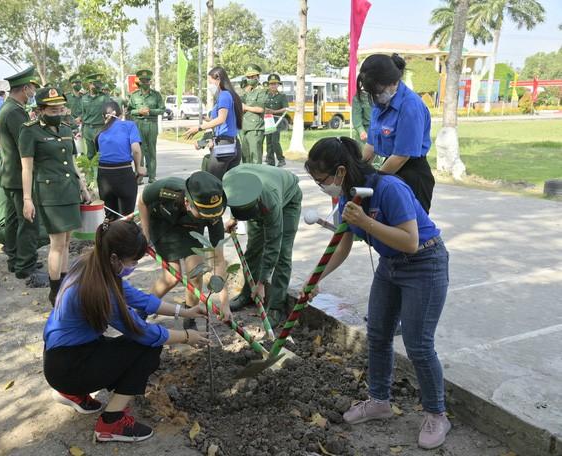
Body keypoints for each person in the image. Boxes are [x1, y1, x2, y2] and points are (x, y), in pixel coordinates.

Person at [305, 136, 450, 450]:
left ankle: (437, 413)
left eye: (321, 181)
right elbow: (343, 243)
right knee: (379, 333)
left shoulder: (389, 188)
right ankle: (379, 401)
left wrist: (367, 222)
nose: (321, 186)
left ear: (341, 171)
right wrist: (317, 278)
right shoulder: (347, 196)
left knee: (419, 344)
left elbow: (410, 241)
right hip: (390, 265)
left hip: (425, 262)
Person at [43, 219, 208, 443]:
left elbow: (140, 299)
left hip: (59, 358)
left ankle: (71, 393)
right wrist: (187, 337)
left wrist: (185, 312)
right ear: (115, 258)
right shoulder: (100, 291)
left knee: (133, 344)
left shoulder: (91, 265)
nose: (135, 266)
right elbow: (144, 333)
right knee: (148, 348)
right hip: (68, 367)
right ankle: (111, 423)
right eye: (133, 261)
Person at [20, 87, 92, 306]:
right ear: (40, 110)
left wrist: (83, 187)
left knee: (67, 241)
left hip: (70, 191)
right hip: (50, 194)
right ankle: (55, 291)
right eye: (53, 110)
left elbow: (71, 163)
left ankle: (65, 283)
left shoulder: (67, 129)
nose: (58, 112)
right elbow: (26, 168)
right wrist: (27, 199)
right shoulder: (30, 131)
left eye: (60, 108)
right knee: (57, 244)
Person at [137, 171, 231, 328]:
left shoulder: (213, 214)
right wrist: (145, 234)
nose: (210, 218)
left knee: (195, 273)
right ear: (188, 203)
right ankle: (141, 311)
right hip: (163, 224)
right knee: (171, 278)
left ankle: (190, 318)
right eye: (204, 214)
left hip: (191, 229)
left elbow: (218, 260)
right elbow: (142, 200)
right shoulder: (166, 190)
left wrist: (224, 303)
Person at [223, 164, 302, 327]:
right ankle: (247, 294)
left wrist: (262, 282)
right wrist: (233, 218)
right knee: (253, 249)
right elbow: (234, 196)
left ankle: (276, 307)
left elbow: (273, 243)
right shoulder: (230, 180)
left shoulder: (270, 200)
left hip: (288, 201)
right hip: (257, 200)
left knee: (282, 253)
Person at [359, 53, 434, 213]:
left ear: (394, 82)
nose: (376, 97)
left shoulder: (410, 106)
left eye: (379, 91)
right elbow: (371, 146)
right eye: (372, 93)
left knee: (410, 233)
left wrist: (375, 182)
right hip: (389, 168)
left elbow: (401, 157)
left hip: (412, 174)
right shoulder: (380, 104)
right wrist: (357, 171)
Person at [0, 66, 46, 285]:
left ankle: (15, 258)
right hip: (19, 177)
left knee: (13, 220)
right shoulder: (14, 112)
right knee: (28, 221)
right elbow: (25, 144)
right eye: (32, 89)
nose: (33, 93)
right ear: (24, 88)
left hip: (10, 176)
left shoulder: (10, 108)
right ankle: (25, 267)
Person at [183, 66, 242, 180]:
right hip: (233, 145)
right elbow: (227, 122)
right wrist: (209, 123)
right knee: (227, 186)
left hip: (224, 147)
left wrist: (199, 128)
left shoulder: (224, 95)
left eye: (210, 82)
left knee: (212, 183)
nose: (210, 86)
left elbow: (221, 119)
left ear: (218, 79)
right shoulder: (232, 95)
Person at [96, 101, 147, 220]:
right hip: (123, 173)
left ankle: (107, 237)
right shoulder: (129, 125)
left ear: (103, 117)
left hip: (104, 176)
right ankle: (125, 238)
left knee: (109, 217)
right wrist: (139, 167)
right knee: (126, 217)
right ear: (120, 114)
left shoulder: (100, 132)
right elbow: (136, 149)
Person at [127, 69, 165, 183]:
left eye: (147, 80)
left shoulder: (156, 95)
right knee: (139, 150)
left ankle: (152, 176)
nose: (145, 83)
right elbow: (129, 111)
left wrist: (150, 111)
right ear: (139, 82)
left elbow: (162, 110)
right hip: (138, 124)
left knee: (151, 150)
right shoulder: (134, 96)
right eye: (143, 81)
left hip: (151, 124)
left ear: (150, 82)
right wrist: (139, 111)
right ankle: (139, 175)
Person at [78, 73, 111, 160]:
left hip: (100, 128)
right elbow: (83, 113)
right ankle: (91, 172)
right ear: (90, 84)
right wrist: (82, 130)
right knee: (90, 154)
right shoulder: (84, 98)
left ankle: (103, 172)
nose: (97, 87)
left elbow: (110, 113)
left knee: (102, 153)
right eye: (95, 84)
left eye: (99, 85)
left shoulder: (104, 97)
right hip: (88, 129)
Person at [240, 64, 267, 164]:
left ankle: (257, 178)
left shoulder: (261, 91)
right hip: (244, 127)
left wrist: (246, 107)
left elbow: (260, 109)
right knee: (245, 157)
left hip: (255, 128)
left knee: (255, 157)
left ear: (258, 77)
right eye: (248, 77)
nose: (250, 79)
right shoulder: (247, 92)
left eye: (253, 77)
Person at [263, 73, 289, 167]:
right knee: (269, 141)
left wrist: (274, 111)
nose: (273, 85)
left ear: (278, 85)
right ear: (269, 85)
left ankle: (281, 159)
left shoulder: (282, 96)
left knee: (275, 141)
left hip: (277, 120)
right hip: (267, 120)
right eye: (271, 84)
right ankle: (270, 161)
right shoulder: (265, 95)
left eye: (275, 84)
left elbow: (285, 108)